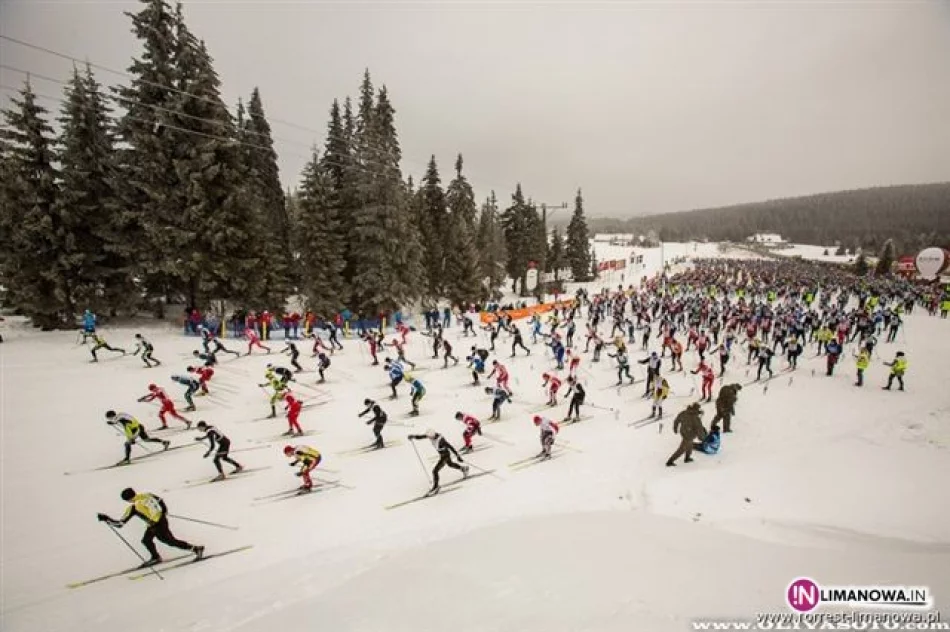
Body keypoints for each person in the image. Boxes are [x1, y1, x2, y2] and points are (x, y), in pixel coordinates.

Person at [96, 488, 204, 566]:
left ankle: (196, 549)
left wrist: (106, 519)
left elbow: (120, 524)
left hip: (155, 525)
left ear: (127, 500)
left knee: (170, 541)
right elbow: (160, 500)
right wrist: (164, 511)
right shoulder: (146, 494)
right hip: (161, 520)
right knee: (146, 540)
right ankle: (156, 557)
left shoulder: (134, 507)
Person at [407, 430, 468, 496]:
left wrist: (458, 456)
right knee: (450, 464)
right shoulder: (431, 435)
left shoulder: (441, 440)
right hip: (442, 454)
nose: (429, 438)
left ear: (433, 436)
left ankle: (436, 487)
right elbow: (421, 437)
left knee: (435, 471)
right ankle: (463, 468)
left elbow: (450, 447)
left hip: (445, 455)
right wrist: (413, 436)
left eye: (430, 437)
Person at [666, 403, 707, 467]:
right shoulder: (696, 418)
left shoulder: (684, 412)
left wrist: (675, 428)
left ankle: (687, 458)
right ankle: (670, 461)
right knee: (682, 449)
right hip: (689, 435)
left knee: (690, 445)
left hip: (683, 432)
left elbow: (676, 420)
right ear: (696, 409)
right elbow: (699, 430)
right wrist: (703, 438)